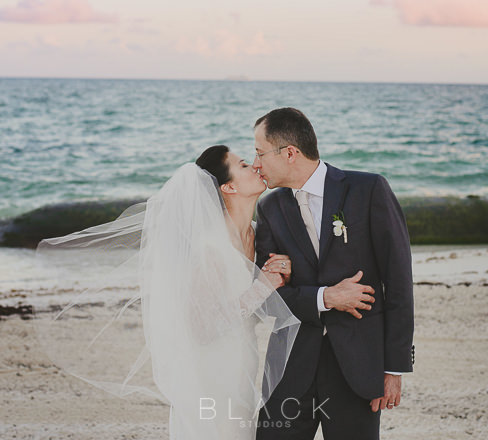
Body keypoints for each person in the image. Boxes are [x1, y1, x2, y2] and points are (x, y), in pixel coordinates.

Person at [35, 146, 300, 440]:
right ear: (229, 186)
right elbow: (203, 327)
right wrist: (263, 287)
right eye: (244, 165)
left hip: (244, 361)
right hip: (213, 369)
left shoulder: (254, 232)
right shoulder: (209, 249)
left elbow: (250, 302)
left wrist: (277, 275)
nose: (255, 166)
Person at [252, 108, 414, 440]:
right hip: (290, 369)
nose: (257, 164)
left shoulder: (368, 190)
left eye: (259, 153)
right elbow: (270, 297)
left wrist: (394, 368)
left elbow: (398, 281)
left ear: (290, 153)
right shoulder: (269, 208)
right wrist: (326, 298)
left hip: (358, 366)